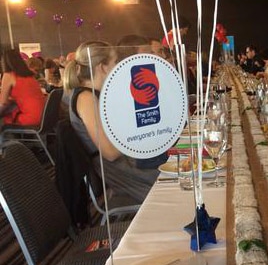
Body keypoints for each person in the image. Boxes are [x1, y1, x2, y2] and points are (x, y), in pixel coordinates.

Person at [64, 40, 158, 203]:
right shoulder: (86, 98)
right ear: (103, 67)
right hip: (119, 170)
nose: (118, 66)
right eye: (115, 62)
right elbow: (110, 153)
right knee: (178, 181)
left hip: (127, 164)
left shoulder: (97, 95)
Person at [0, 49, 46, 126]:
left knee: (3, 120)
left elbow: (3, 102)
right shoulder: (30, 75)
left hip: (30, 118)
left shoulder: (8, 75)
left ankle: (6, 138)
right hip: (44, 116)